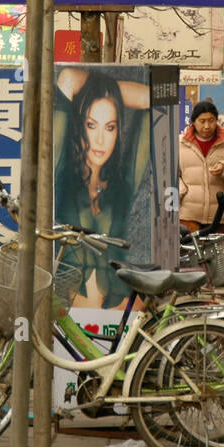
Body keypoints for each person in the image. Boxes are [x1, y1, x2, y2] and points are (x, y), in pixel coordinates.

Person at [53, 67, 150, 309]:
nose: (100, 140)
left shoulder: (122, 185)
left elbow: (152, 98)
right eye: (91, 124)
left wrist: (110, 93)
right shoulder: (61, 174)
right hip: (69, 313)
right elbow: (67, 78)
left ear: (118, 132)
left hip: (119, 312)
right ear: (79, 125)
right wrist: (100, 87)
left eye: (110, 127)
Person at [178, 100, 224, 233]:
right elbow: (168, 173)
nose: (207, 126)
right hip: (187, 215)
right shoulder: (180, 143)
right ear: (193, 121)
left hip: (217, 216)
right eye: (202, 121)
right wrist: (182, 189)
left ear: (217, 120)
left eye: (211, 120)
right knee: (188, 253)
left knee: (214, 254)